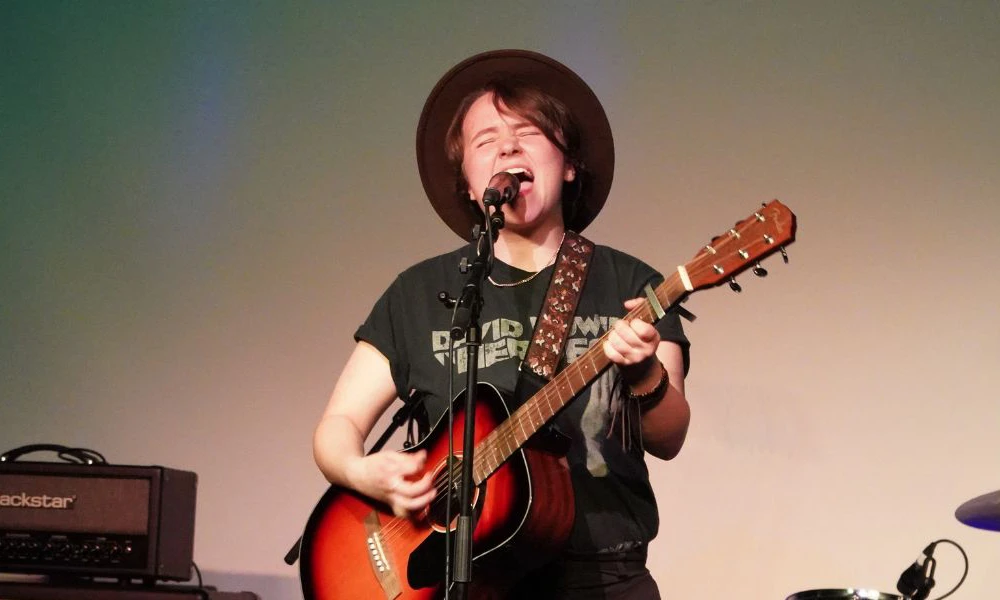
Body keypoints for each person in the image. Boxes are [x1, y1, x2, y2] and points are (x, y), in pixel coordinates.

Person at [312, 49, 691, 599]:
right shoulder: (418, 292)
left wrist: (645, 375)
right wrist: (360, 471)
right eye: (485, 140)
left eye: (529, 132)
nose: (508, 146)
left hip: (604, 580)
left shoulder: (633, 283)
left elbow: (670, 436)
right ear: (469, 184)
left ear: (567, 165)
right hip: (460, 579)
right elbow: (337, 425)